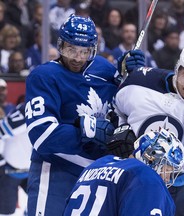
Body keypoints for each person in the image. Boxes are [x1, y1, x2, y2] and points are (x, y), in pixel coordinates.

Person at [116, 39, 184, 216]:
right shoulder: (138, 82)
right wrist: (118, 131)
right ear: (178, 66)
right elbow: (115, 112)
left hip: (174, 187)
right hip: (129, 178)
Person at [24, 14, 119, 216]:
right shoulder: (44, 76)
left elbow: (126, 100)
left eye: (84, 51)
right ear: (60, 45)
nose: (77, 58)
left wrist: (131, 72)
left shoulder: (104, 69)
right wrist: (90, 130)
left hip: (97, 174)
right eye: (71, 49)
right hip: (56, 170)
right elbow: (41, 135)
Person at [63, 128, 184, 216]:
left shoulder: (97, 165)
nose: (167, 178)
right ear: (153, 158)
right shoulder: (146, 177)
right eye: (167, 170)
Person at [0, 103, 32, 215]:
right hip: (9, 171)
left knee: (44, 206)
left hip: (32, 170)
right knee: (6, 211)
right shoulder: (27, 109)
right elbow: (1, 129)